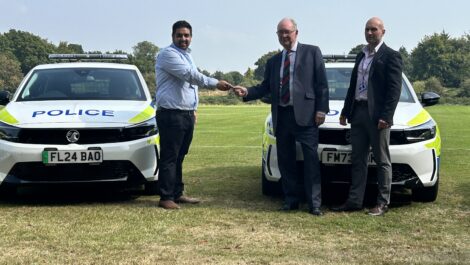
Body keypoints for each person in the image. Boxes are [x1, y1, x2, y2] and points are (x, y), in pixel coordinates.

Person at [233, 18, 329, 216]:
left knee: (311, 161)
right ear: (277, 35)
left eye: (287, 32)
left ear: (296, 32)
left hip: (307, 117)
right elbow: (264, 87)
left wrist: (321, 110)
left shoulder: (312, 52)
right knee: (286, 161)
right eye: (280, 33)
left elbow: (322, 85)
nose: (284, 36)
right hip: (282, 116)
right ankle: (291, 200)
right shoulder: (273, 61)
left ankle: (314, 204)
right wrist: (247, 92)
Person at [155, 20, 232, 210]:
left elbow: (190, 86)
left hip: (185, 114)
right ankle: (165, 197)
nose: (183, 39)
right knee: (170, 156)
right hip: (171, 114)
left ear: (191, 37)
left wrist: (193, 109)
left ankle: (177, 193)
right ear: (172, 36)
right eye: (179, 35)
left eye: (187, 35)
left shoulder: (187, 55)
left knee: (180, 155)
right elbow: (191, 76)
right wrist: (215, 83)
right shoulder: (168, 54)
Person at [331, 17, 403, 216]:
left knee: (382, 161)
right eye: (367, 30)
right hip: (358, 113)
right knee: (358, 160)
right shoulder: (361, 55)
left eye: (374, 29)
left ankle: (382, 202)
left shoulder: (391, 56)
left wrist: (386, 116)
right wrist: (346, 111)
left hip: (378, 116)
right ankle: (354, 201)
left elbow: (394, 90)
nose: (370, 33)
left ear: (383, 32)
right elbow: (353, 86)